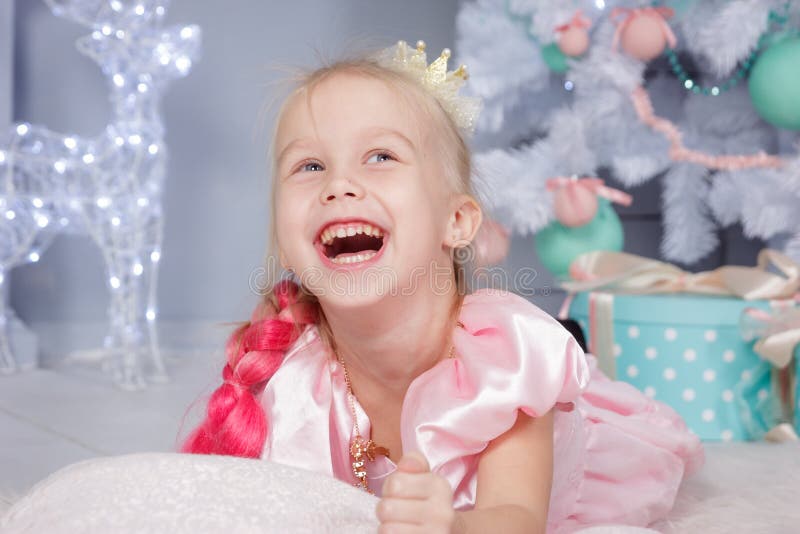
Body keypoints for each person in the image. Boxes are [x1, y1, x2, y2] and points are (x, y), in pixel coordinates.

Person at [181, 40, 704, 533]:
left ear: (456, 221)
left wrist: (453, 525)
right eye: (309, 165)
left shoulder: (506, 364)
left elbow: (516, 516)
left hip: (560, 481)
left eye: (381, 156)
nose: (338, 185)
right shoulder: (296, 377)